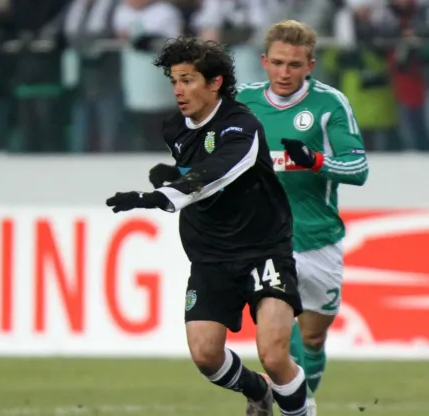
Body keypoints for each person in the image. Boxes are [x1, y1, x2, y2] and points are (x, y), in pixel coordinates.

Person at [106, 36, 307, 416]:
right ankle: (257, 391)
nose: (178, 91)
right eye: (174, 81)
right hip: (211, 256)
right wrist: (176, 172)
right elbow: (200, 165)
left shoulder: (241, 126)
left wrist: (161, 194)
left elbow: (221, 170)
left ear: (215, 83)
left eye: (187, 80)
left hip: (263, 250)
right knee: (205, 354)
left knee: (274, 354)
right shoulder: (175, 130)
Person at [236, 20, 369, 416]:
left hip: (319, 238)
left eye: (294, 64)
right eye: (277, 63)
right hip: (268, 240)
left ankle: (300, 394)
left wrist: (314, 162)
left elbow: (358, 167)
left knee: (312, 335)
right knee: (276, 335)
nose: (284, 72)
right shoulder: (242, 102)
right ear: (263, 61)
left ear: (310, 64)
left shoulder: (330, 105)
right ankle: (298, 406)